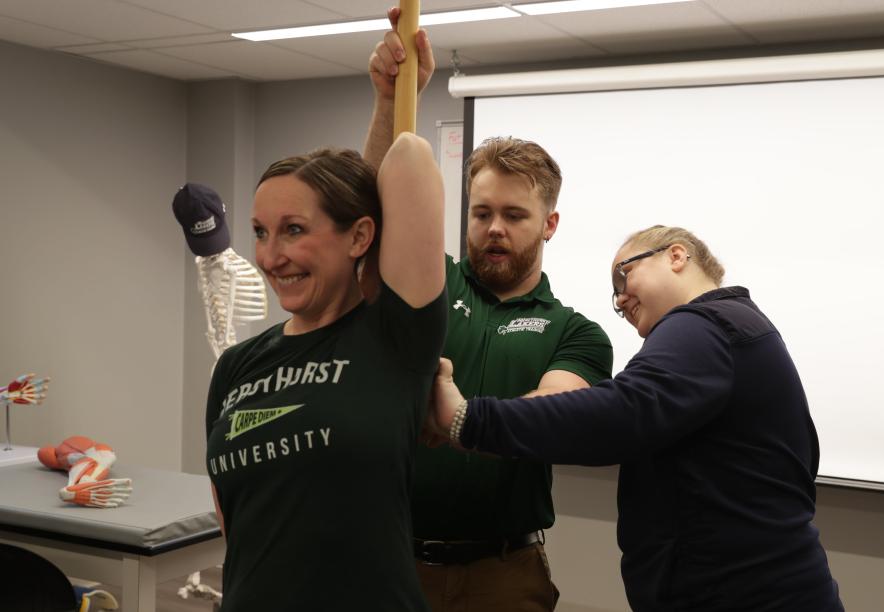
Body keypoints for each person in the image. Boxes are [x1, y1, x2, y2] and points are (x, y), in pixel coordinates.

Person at [428, 225, 845, 612]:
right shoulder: (740, 330)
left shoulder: (706, 325)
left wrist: (469, 418)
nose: (621, 300)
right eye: (615, 296)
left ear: (676, 256)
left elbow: (620, 412)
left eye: (623, 278)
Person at [365, 11, 613, 612]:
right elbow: (368, 216)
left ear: (549, 223)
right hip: (395, 561)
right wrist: (389, 101)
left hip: (504, 571)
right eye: (481, 214)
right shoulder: (433, 284)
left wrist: (458, 416)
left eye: (514, 215)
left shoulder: (577, 333)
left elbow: (549, 417)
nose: (494, 229)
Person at [204, 133, 446, 611]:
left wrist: (389, 93)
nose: (271, 257)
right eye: (259, 232)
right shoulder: (235, 367)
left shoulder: (395, 340)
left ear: (359, 236)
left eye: (294, 230)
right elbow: (236, 523)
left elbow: (411, 158)